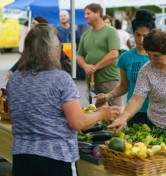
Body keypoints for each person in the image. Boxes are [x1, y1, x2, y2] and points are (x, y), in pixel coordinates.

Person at [6, 23, 121, 176]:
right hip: (55, 159)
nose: (59, 51)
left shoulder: (15, 79)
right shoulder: (60, 79)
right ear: (51, 51)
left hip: (22, 157)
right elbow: (77, 122)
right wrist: (102, 114)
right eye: (58, 47)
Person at [95, 9, 156, 127]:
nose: (141, 39)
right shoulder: (125, 57)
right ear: (133, 34)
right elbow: (124, 85)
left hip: (157, 111)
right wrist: (108, 95)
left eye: (145, 35)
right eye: (138, 35)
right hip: (134, 112)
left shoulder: (157, 56)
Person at [76, 3, 123, 106]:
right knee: (95, 111)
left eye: (88, 13)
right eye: (85, 14)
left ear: (97, 13)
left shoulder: (111, 31)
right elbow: (79, 56)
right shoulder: (85, 34)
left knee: (116, 110)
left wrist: (95, 68)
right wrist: (85, 66)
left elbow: (114, 54)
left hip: (110, 79)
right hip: (92, 81)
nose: (85, 16)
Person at [5, 16, 49, 80]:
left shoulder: (49, 39)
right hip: (33, 72)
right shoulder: (31, 38)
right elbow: (26, 56)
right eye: (31, 23)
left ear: (41, 25)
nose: (31, 25)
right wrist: (12, 70)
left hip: (45, 72)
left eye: (34, 23)